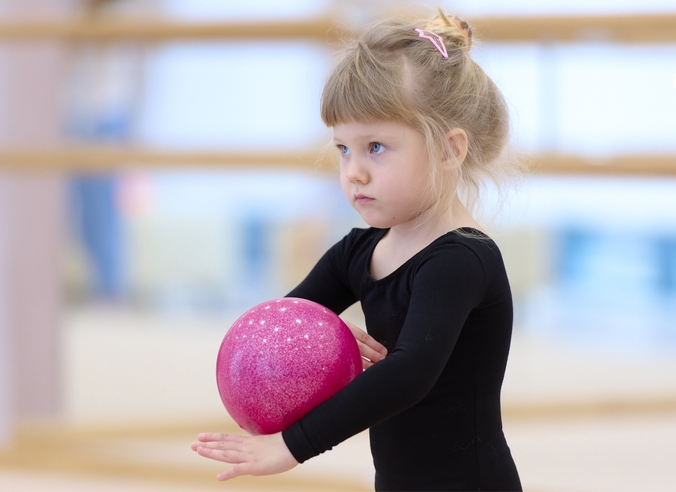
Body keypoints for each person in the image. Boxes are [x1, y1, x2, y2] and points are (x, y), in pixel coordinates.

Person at [192, 8, 523, 491]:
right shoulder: (358, 251)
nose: (354, 172)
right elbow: (278, 327)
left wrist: (291, 446)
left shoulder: (461, 260)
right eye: (343, 148)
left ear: (450, 150)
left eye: (376, 147)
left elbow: (409, 373)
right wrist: (324, 337)